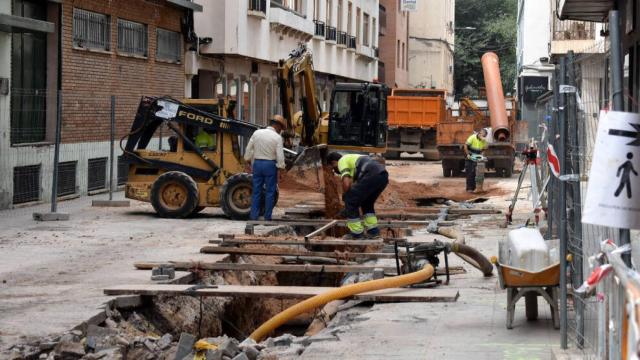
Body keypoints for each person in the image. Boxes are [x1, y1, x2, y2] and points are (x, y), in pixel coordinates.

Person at [327, 152, 389, 239]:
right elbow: (356, 188)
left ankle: (356, 234)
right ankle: (373, 232)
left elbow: (347, 184)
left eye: (333, 168)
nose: (335, 171)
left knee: (350, 199)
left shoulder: (342, 161)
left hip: (371, 174)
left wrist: (347, 200)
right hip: (383, 176)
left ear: (334, 162)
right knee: (367, 203)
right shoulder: (353, 159)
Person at [244, 115, 286, 221]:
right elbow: (280, 156)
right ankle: (267, 217)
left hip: (257, 164)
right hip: (270, 166)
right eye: (280, 128)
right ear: (277, 126)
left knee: (256, 191)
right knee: (270, 192)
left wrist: (247, 161)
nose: (280, 131)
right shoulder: (277, 137)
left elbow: (249, 148)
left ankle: (254, 216)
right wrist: (281, 169)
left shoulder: (257, 133)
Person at [463, 128, 489, 193]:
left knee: (475, 173)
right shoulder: (472, 137)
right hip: (470, 156)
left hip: (476, 157)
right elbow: (465, 146)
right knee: (469, 172)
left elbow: (484, 150)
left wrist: (482, 156)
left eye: (484, 136)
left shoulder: (484, 141)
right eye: (482, 135)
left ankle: (475, 188)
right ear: (479, 133)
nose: (483, 137)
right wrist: (468, 154)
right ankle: (469, 189)